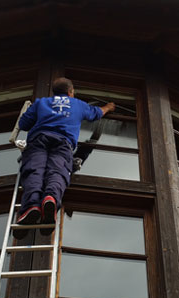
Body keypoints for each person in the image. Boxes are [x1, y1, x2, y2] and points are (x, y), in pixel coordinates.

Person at [14, 77, 115, 236]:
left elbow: (24, 124)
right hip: (63, 143)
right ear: (71, 92)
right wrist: (108, 107)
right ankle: (51, 198)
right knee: (57, 171)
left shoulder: (41, 103)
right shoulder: (79, 105)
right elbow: (97, 113)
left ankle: (32, 206)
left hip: (38, 140)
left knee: (34, 170)